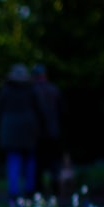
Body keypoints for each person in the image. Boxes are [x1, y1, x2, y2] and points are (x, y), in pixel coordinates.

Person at [0, 63, 46, 204]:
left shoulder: (5, 91)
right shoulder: (31, 90)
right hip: (28, 130)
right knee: (29, 161)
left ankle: (14, 193)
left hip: (10, 131)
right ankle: (29, 191)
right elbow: (40, 111)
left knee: (14, 161)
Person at [31, 64, 65, 195]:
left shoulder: (32, 91)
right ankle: (56, 187)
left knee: (38, 163)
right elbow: (62, 112)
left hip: (38, 134)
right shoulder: (54, 89)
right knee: (54, 162)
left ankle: (38, 190)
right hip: (54, 132)